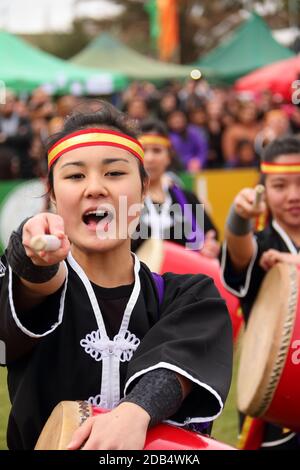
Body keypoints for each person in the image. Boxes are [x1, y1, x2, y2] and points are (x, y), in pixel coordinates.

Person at [0, 101, 232, 450]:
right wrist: (32, 259)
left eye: (114, 173)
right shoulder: (28, 286)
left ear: (142, 189)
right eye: (75, 175)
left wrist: (137, 412)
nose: (95, 188)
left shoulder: (189, 296)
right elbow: (31, 286)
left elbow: (180, 363)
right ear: (53, 196)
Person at [221, 135, 300, 449]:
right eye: (280, 186)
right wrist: (239, 218)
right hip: (280, 408)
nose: (293, 195)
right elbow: (241, 252)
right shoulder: (264, 245)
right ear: (263, 190)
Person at [132, 119, 220, 258]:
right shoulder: (124, 200)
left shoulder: (186, 199)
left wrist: (209, 247)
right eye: (143, 151)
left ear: (168, 157)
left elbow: (210, 237)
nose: (149, 158)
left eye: (157, 150)